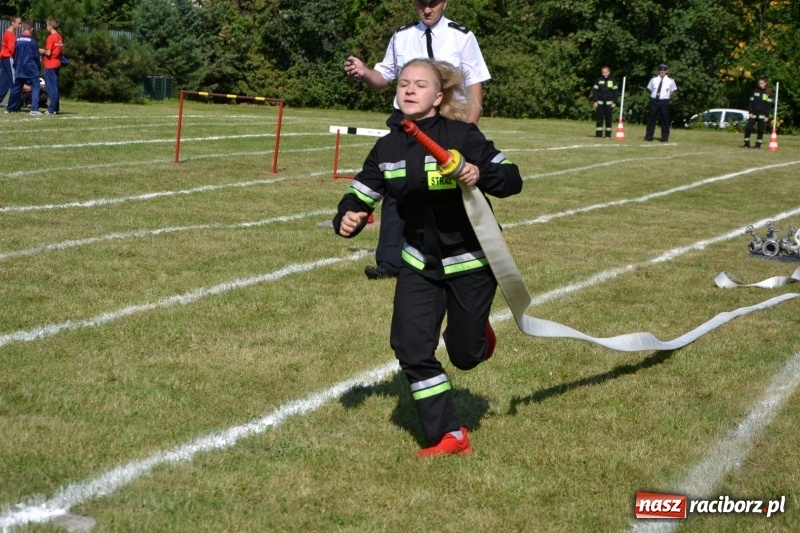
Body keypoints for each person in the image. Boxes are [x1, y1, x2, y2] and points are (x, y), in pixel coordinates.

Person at [333, 59, 522, 456]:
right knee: (411, 348)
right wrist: (347, 214)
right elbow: (362, 194)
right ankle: (449, 434)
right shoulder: (386, 147)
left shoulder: (462, 135)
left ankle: (475, 334)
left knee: (465, 356)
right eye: (403, 83)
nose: (409, 90)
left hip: (470, 261)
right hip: (418, 262)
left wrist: (477, 173)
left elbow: (511, 180)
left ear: (438, 98)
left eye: (420, 85)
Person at [344, 0, 490, 280]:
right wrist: (364, 73)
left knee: (448, 189)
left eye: (433, 3)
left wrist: (469, 130)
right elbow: (383, 76)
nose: (427, 9)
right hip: (407, 123)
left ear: (444, 3)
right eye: (422, 3)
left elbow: (475, 82)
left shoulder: (462, 36)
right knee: (395, 185)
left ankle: (458, 255)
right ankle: (388, 262)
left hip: (448, 124)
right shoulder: (401, 36)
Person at [4, 20, 40, 115]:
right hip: (30, 67)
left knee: (16, 87)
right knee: (36, 86)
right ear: (31, 29)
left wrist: (16, 65)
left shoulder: (17, 40)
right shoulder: (33, 41)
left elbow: (14, 53)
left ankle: (9, 108)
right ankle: (34, 109)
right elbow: (36, 56)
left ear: (23, 28)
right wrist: (38, 67)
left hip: (20, 67)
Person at [644, 63, 677, 142]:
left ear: (666, 71)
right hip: (654, 100)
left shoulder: (670, 80)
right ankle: (649, 137)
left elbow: (673, 91)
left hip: (664, 101)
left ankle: (664, 137)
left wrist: (666, 96)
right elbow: (651, 89)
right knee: (652, 119)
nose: (662, 71)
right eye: (661, 69)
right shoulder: (654, 79)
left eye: (664, 70)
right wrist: (655, 95)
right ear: (658, 70)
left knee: (665, 119)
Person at [39, 18, 63, 115]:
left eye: (47, 25)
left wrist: (41, 50)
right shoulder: (59, 37)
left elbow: (48, 52)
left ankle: (52, 109)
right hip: (57, 63)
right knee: (55, 86)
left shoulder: (51, 37)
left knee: (51, 87)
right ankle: (56, 107)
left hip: (50, 64)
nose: (46, 27)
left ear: (50, 26)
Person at [742, 77, 773, 149]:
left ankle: (758, 145)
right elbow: (751, 102)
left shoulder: (768, 93)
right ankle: (746, 144)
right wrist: (750, 112)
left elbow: (769, 106)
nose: (760, 85)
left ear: (765, 83)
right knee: (748, 128)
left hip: (762, 115)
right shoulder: (755, 91)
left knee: (760, 130)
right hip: (753, 114)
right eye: (759, 83)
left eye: (762, 83)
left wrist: (767, 116)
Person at [0, 16, 22, 106]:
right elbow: (12, 49)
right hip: (8, 58)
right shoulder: (10, 34)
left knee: (4, 81)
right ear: (13, 22)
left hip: (4, 58)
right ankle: (15, 103)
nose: (20, 25)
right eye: (19, 23)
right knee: (14, 81)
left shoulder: (8, 33)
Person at [591, 65, 618, 138]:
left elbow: (615, 92)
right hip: (599, 103)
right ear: (601, 73)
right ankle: (598, 135)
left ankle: (608, 135)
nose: (605, 74)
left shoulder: (612, 80)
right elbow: (595, 91)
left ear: (609, 72)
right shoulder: (599, 80)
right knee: (599, 119)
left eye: (606, 72)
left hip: (609, 103)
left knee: (608, 119)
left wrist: (614, 102)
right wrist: (595, 101)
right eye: (603, 73)